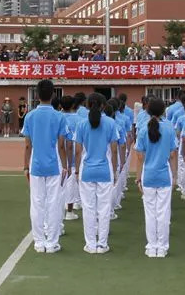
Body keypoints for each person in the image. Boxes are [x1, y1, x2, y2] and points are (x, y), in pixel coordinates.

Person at [22, 79, 68, 254]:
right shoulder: (59, 116)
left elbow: (27, 145)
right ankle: (52, 242)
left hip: (36, 165)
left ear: (37, 95)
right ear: (53, 94)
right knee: (54, 204)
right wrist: (65, 165)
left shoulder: (30, 116)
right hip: (54, 165)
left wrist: (25, 166)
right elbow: (61, 145)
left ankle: (39, 241)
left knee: (37, 203)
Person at [74, 92, 119, 254]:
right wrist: (114, 171)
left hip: (87, 171)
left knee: (88, 208)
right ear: (103, 106)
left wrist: (77, 170)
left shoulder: (81, 124)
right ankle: (102, 244)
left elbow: (78, 151)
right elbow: (114, 150)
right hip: (105, 171)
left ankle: (91, 244)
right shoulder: (111, 123)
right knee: (104, 208)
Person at [134, 98, 177, 258]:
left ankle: (152, 246)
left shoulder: (144, 129)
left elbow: (139, 156)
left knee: (150, 213)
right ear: (163, 111)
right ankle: (162, 246)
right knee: (163, 212)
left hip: (148, 176)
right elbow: (173, 154)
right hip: (164, 175)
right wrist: (175, 176)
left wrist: (138, 178)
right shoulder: (169, 128)